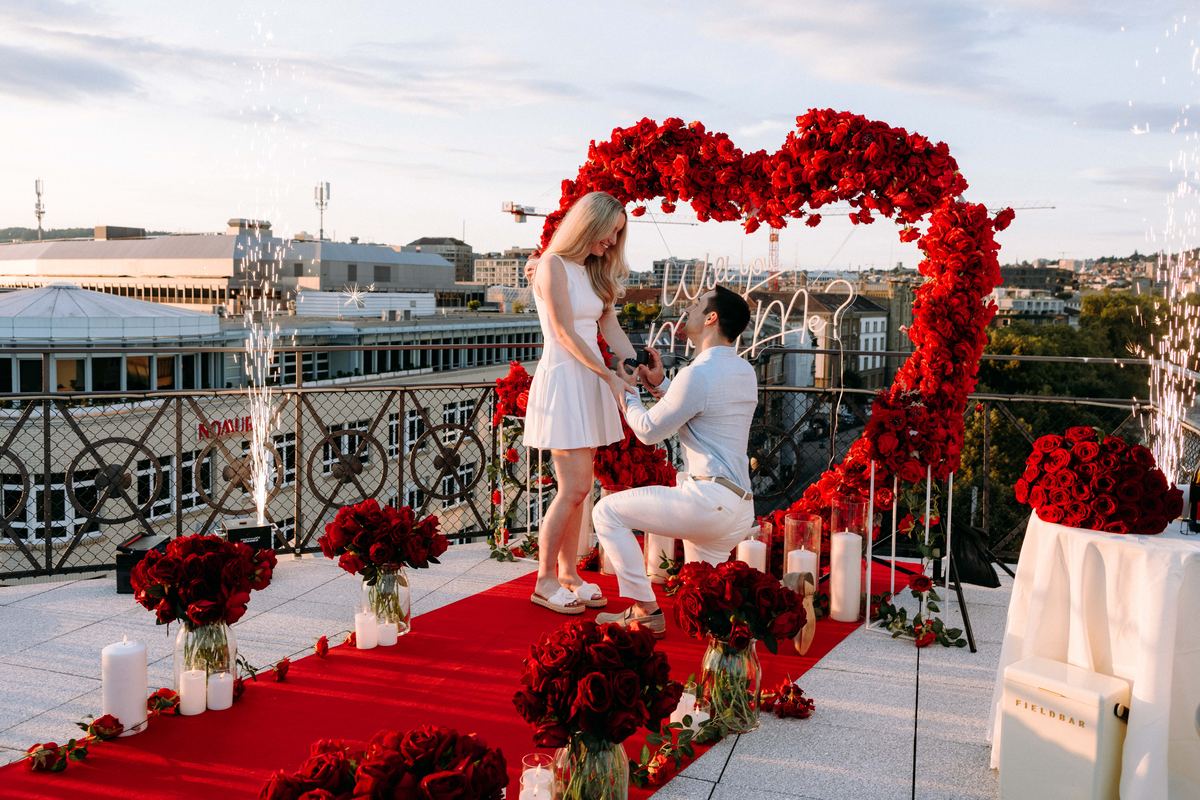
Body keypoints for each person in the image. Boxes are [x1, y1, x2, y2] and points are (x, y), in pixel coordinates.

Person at [593, 285, 757, 636]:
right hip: (738, 507)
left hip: (706, 502)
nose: (688, 308)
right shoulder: (744, 371)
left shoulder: (698, 373)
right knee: (705, 604)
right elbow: (703, 409)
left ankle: (645, 610)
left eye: (697, 304)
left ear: (711, 318)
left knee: (606, 512)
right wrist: (661, 384)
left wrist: (627, 391)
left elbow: (648, 431)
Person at [523, 191, 639, 615]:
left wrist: (635, 365)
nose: (612, 240)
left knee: (580, 489)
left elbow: (609, 326)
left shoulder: (593, 270)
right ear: (589, 224)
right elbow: (563, 332)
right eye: (610, 231)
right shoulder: (552, 264)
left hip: (589, 378)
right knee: (572, 488)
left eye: (618, 234)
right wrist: (608, 375)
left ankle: (568, 574)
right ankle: (544, 580)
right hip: (565, 381)